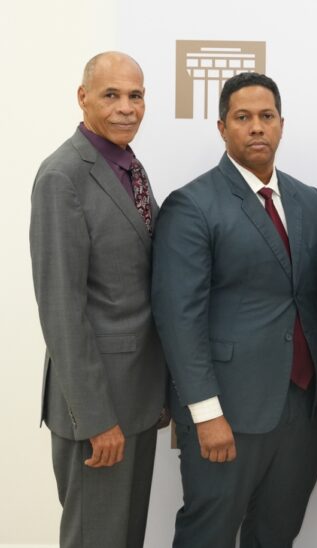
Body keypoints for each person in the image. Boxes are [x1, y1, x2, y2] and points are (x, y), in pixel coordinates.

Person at [151, 72, 317, 547]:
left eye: (266, 117)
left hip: (299, 407)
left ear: (281, 125)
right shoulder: (192, 205)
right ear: (222, 127)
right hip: (227, 410)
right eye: (243, 117)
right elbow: (178, 318)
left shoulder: (309, 201)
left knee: (277, 533)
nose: (256, 127)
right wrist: (206, 412)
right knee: (207, 534)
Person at [29, 51, 167, 548]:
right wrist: (95, 418)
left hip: (137, 399)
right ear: (83, 97)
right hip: (97, 412)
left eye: (136, 96)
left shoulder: (127, 164)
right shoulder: (61, 175)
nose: (126, 107)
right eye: (111, 95)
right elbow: (62, 311)